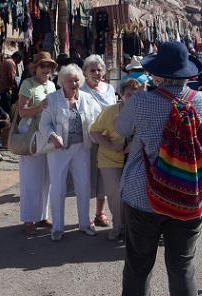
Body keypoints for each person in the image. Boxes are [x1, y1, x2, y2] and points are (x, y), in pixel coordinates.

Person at [114, 41, 202, 296]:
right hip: (189, 200)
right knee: (182, 265)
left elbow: (120, 130)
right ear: (188, 73)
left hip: (145, 197)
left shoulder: (142, 101)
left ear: (157, 73)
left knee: (138, 263)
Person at [39, 63, 101, 241]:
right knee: (58, 187)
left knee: (84, 185)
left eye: (76, 80)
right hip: (59, 149)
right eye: (69, 81)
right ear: (61, 82)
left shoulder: (87, 99)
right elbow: (44, 123)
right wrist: (52, 135)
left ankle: (85, 223)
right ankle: (57, 227)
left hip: (82, 147)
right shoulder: (52, 99)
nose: (73, 84)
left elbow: (97, 121)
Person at [90, 78, 145, 240]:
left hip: (134, 159)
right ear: (121, 95)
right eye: (128, 94)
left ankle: (130, 227)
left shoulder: (143, 111)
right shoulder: (110, 111)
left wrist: (133, 145)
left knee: (133, 193)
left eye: (136, 95)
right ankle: (118, 226)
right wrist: (110, 145)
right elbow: (94, 132)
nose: (131, 98)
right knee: (115, 193)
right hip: (109, 158)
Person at [16, 52, 57, 235]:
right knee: (30, 179)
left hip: (46, 134)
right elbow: (22, 112)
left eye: (49, 66)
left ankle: (42, 216)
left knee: (46, 178)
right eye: (43, 66)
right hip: (31, 134)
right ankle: (28, 219)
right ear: (35, 68)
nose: (46, 69)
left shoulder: (52, 85)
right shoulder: (27, 84)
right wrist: (40, 107)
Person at [81, 54, 118, 228]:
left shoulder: (110, 89)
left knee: (105, 177)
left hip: (108, 138)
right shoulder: (80, 90)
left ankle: (100, 213)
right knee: (87, 177)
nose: (97, 73)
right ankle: (85, 214)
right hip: (88, 139)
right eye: (92, 70)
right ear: (85, 72)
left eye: (99, 69)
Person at [0, 52, 22, 117]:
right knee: (6, 109)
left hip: (0, 89)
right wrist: (17, 87)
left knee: (2, 108)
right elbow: (12, 78)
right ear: (17, 58)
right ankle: (6, 123)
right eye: (19, 60)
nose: (19, 63)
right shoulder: (11, 63)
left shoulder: (6, 61)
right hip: (4, 90)